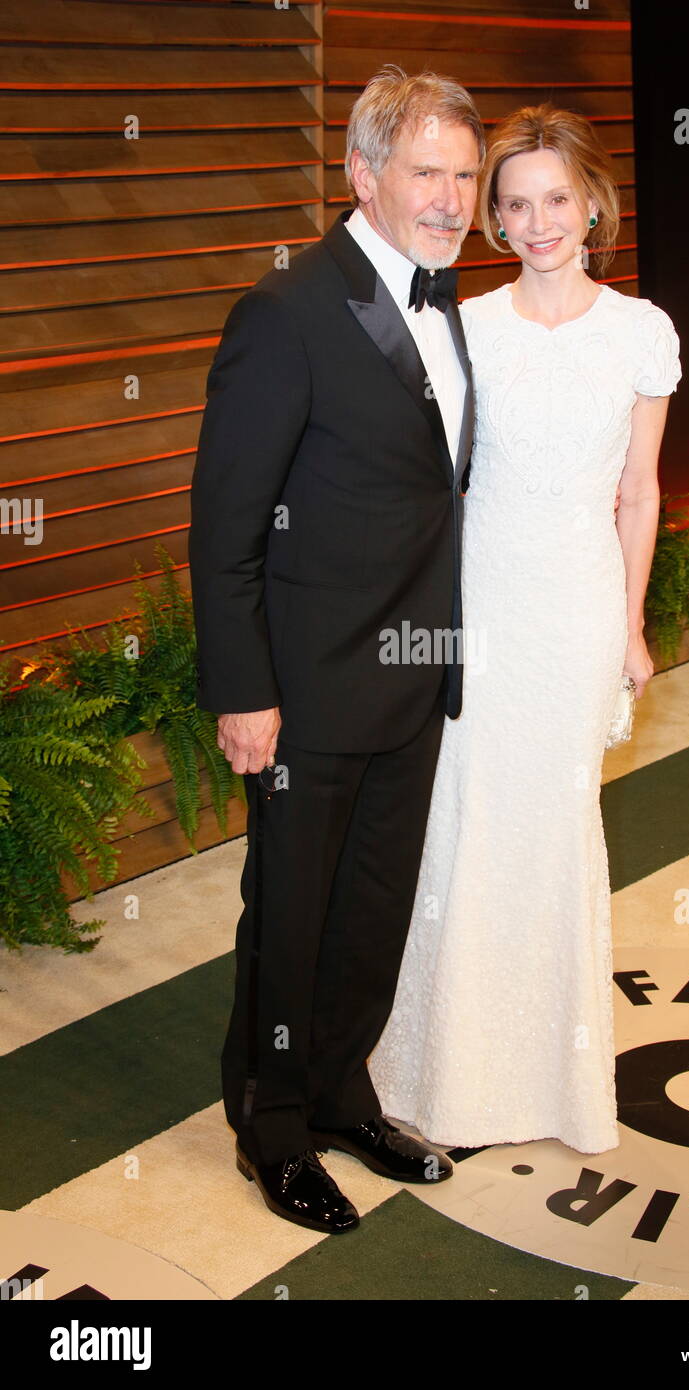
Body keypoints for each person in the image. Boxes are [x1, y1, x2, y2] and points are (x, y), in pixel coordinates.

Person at [188, 66, 485, 1233]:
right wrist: (244, 690)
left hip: (414, 677)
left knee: (372, 909)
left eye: (465, 175)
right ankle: (268, 1125)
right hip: (305, 693)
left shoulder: (445, 294)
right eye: (427, 172)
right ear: (361, 173)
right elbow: (223, 527)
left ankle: (339, 1089)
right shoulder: (287, 311)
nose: (452, 197)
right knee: (291, 915)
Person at [369, 103, 682, 1154]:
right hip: (481, 611)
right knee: (462, 829)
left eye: (555, 198)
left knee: (550, 834)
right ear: (494, 220)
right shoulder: (470, 327)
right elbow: (437, 492)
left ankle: (552, 1084)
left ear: (592, 201)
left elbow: (637, 494)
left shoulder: (640, 332)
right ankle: (440, 1080)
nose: (536, 221)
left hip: (577, 613)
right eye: (512, 204)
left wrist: (632, 626)